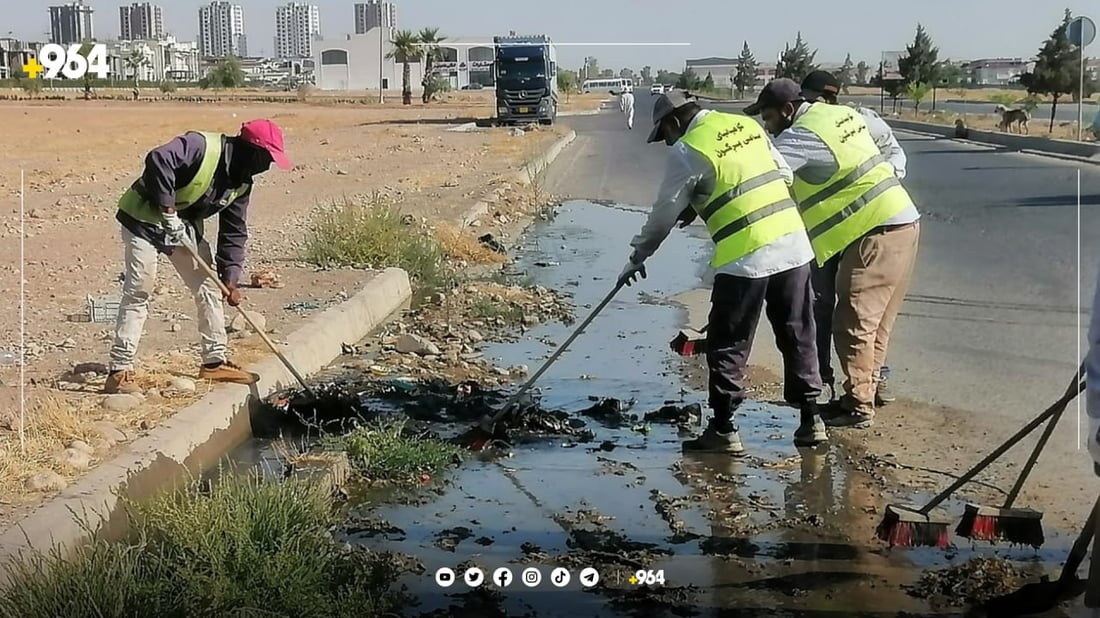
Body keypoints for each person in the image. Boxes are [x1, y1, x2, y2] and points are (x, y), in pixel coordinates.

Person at [619, 90, 828, 455]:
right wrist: (707, 199)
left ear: (674, 122)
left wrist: (637, 257)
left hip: (745, 256)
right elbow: (782, 173)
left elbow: (664, 214)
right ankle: (812, 421)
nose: (667, 143)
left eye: (665, 135)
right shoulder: (745, 124)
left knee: (728, 341)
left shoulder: (688, 149)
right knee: (798, 332)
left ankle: (723, 429)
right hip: (793, 245)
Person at [744, 78, 920, 429]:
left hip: (873, 232)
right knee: (876, 325)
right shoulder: (843, 115)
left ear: (788, 110)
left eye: (769, 118)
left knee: (853, 323)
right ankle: (864, 393)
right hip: (903, 222)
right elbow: (884, 141)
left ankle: (858, 405)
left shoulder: (801, 136)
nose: (767, 127)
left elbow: (762, 177)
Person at [103, 119, 293, 395]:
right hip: (143, 220)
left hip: (181, 229)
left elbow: (233, 231)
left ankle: (215, 362)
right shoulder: (201, 146)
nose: (267, 167)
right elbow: (159, 159)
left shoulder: (241, 184)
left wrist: (230, 279)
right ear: (251, 151)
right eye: (267, 159)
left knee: (209, 287)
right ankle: (119, 371)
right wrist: (168, 211)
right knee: (139, 290)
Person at [799, 70, 907, 406]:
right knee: (823, 305)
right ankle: (824, 379)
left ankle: (869, 381)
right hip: (829, 232)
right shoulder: (813, 127)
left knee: (864, 313)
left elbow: (895, 155)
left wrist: (875, 183)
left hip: (863, 229)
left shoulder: (859, 120)